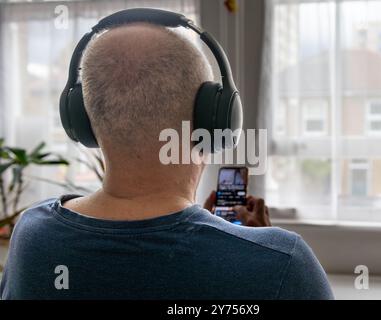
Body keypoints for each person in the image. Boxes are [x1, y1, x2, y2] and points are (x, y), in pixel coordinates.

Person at [0, 22, 333, 299]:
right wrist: (259, 253)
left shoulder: (32, 233)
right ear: (214, 121)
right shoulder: (284, 262)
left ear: (82, 120)